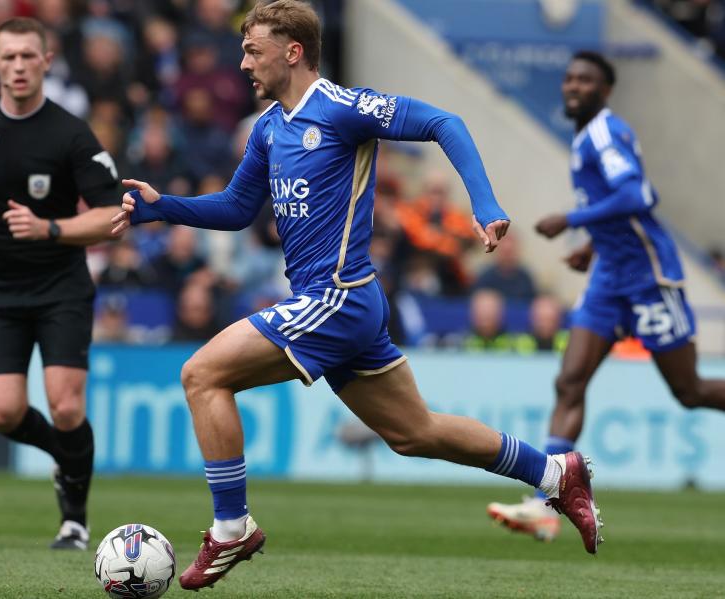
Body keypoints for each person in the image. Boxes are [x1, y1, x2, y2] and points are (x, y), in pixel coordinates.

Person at [110, 1, 603, 590]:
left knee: (201, 375)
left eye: (252, 50)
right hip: (346, 305)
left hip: (338, 297)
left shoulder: (342, 109)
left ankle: (232, 527)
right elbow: (238, 209)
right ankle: (556, 472)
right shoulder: (270, 127)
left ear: (293, 52)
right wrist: (164, 207)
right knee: (413, 432)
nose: (242, 62)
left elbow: (445, 122)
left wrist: (486, 203)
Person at [487, 50, 725, 541]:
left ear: (605, 90)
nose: (572, 86)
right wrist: (593, 247)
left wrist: (570, 222)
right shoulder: (583, 137)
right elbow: (618, 207)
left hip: (648, 278)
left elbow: (638, 196)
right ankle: (543, 503)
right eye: (569, 78)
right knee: (569, 381)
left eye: (585, 80)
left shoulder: (604, 132)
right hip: (610, 277)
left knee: (690, 392)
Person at [0, 17, 121, 551]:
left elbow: (111, 216)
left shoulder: (70, 133)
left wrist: (50, 228)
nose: (17, 66)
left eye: (27, 57)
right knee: (2, 412)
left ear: (46, 61)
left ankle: (74, 520)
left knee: (65, 406)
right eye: (8, 57)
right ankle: (67, 456)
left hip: (60, 284)